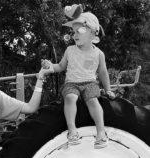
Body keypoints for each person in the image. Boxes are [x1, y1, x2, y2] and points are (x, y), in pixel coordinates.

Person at [42, 4, 115, 148]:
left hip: (90, 83)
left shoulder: (99, 54)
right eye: (73, 31)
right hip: (72, 83)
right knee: (70, 97)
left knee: (93, 100)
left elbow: (102, 72)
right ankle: (72, 131)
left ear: (93, 34)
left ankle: (101, 132)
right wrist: (50, 66)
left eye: (79, 31)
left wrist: (108, 89)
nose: (75, 35)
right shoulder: (70, 50)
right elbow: (61, 67)